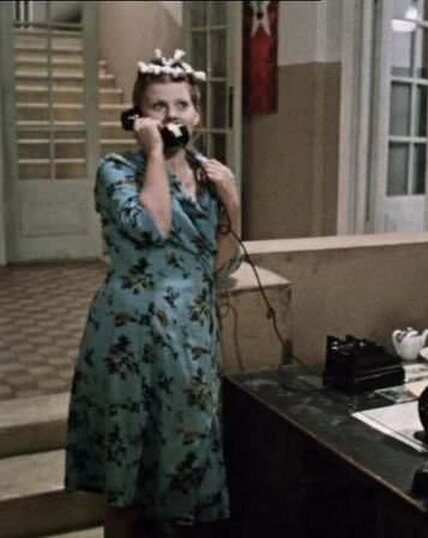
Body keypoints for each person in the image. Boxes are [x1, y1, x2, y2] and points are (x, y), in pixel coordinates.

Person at [65, 49, 243, 537]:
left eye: (181, 105)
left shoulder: (210, 175)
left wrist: (232, 199)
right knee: (128, 468)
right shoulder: (116, 171)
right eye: (158, 106)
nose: (171, 116)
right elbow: (152, 224)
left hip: (192, 335)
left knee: (185, 455)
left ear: (197, 114)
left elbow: (223, 263)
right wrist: (156, 156)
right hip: (131, 335)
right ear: (138, 116)